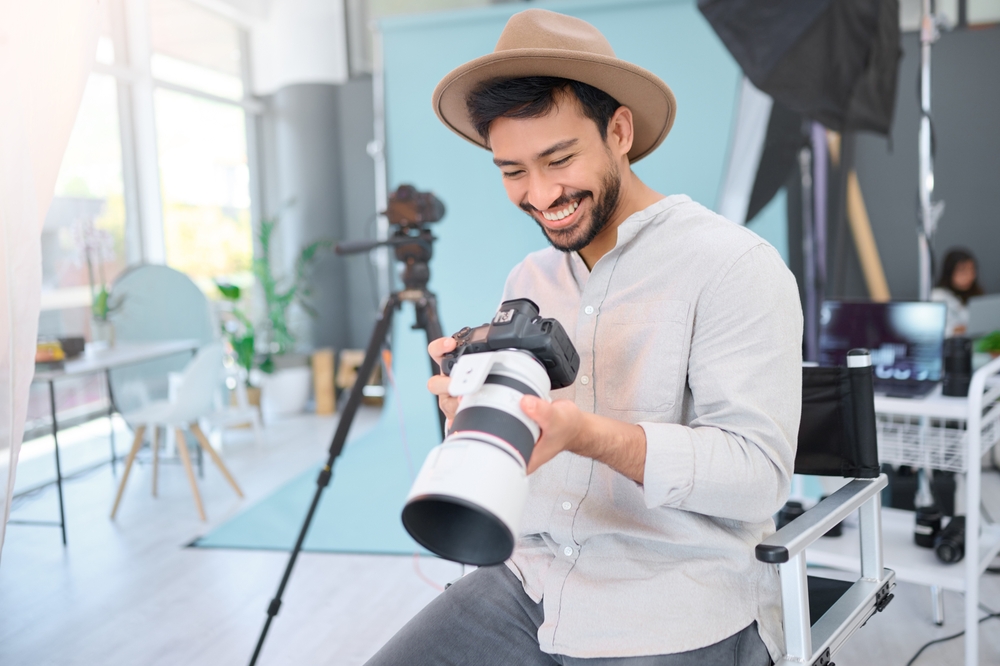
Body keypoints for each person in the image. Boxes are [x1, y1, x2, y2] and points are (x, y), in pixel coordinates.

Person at [366, 10, 802, 666]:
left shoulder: (731, 265)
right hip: (535, 579)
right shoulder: (530, 277)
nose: (540, 194)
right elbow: (526, 445)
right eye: (513, 170)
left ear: (619, 131)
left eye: (559, 158)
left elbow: (758, 479)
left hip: (672, 599)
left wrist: (590, 436)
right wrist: (478, 411)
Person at [931, 248, 984, 337]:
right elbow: (933, 330)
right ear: (950, 272)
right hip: (951, 346)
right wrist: (955, 330)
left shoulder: (977, 293)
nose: (969, 275)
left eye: (972, 270)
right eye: (963, 270)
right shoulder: (938, 296)